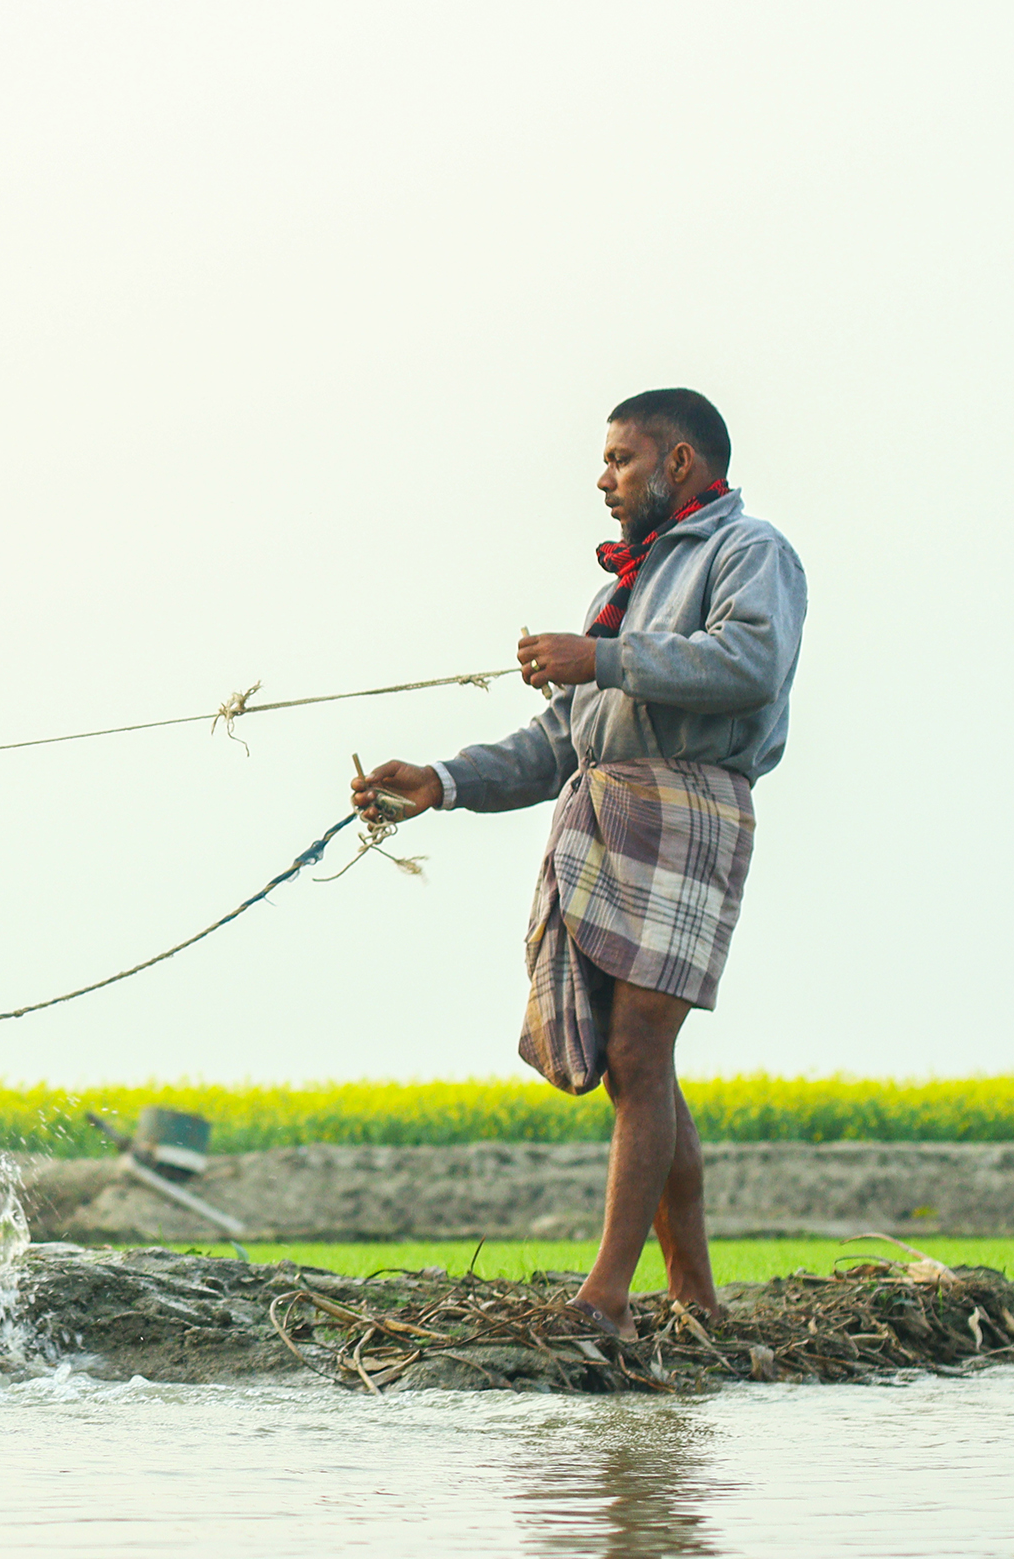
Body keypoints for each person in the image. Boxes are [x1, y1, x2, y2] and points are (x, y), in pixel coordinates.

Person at [354, 389, 804, 1341]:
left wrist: (600, 658)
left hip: (688, 808)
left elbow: (750, 664)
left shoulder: (750, 551)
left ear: (679, 464)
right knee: (637, 1065)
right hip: (604, 812)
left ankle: (605, 1300)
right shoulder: (621, 590)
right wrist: (438, 781)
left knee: (641, 1052)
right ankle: (694, 1295)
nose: (605, 480)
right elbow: (558, 742)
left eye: (622, 461)